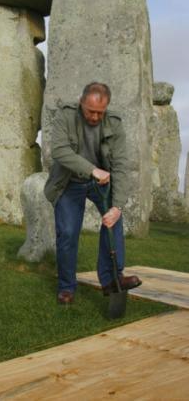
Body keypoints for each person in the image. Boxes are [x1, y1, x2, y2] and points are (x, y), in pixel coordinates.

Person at [44, 82, 142, 304]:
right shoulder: (66, 116)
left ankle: (111, 280)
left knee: (113, 221)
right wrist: (91, 170)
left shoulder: (114, 124)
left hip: (101, 184)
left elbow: (120, 166)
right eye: (91, 111)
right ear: (81, 103)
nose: (95, 117)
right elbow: (59, 150)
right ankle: (67, 287)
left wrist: (117, 207)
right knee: (68, 233)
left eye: (100, 112)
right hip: (69, 182)